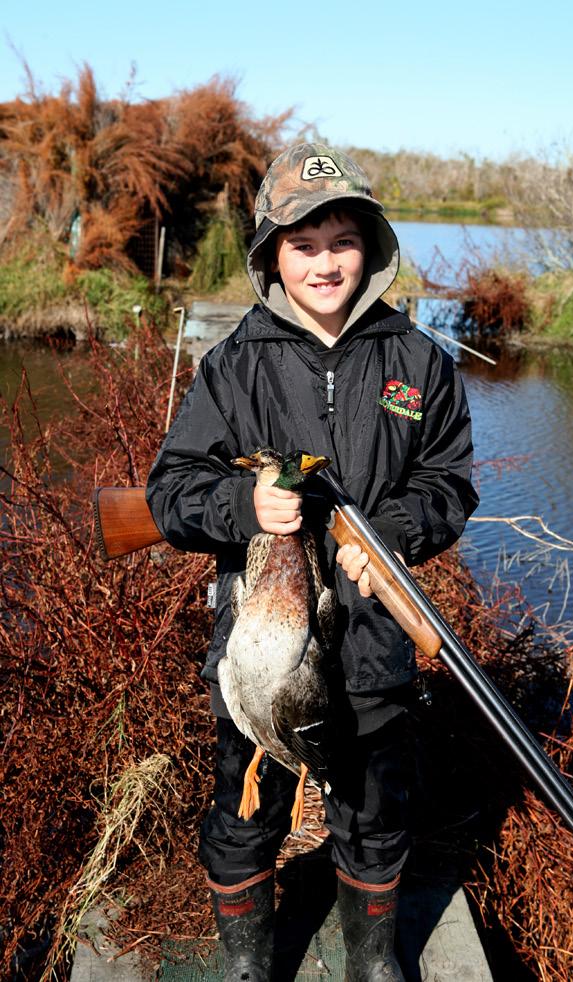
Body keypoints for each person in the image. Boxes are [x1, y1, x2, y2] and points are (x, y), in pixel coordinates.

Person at [146, 143, 478, 982]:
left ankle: (374, 960)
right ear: (271, 256)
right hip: (260, 652)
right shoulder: (235, 365)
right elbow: (170, 491)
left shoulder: (417, 361)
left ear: (371, 248)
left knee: (374, 813)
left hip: (372, 644)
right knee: (243, 812)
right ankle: (248, 964)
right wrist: (242, 506)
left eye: (342, 242)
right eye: (302, 245)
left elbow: (447, 482)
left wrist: (392, 532)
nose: (324, 263)